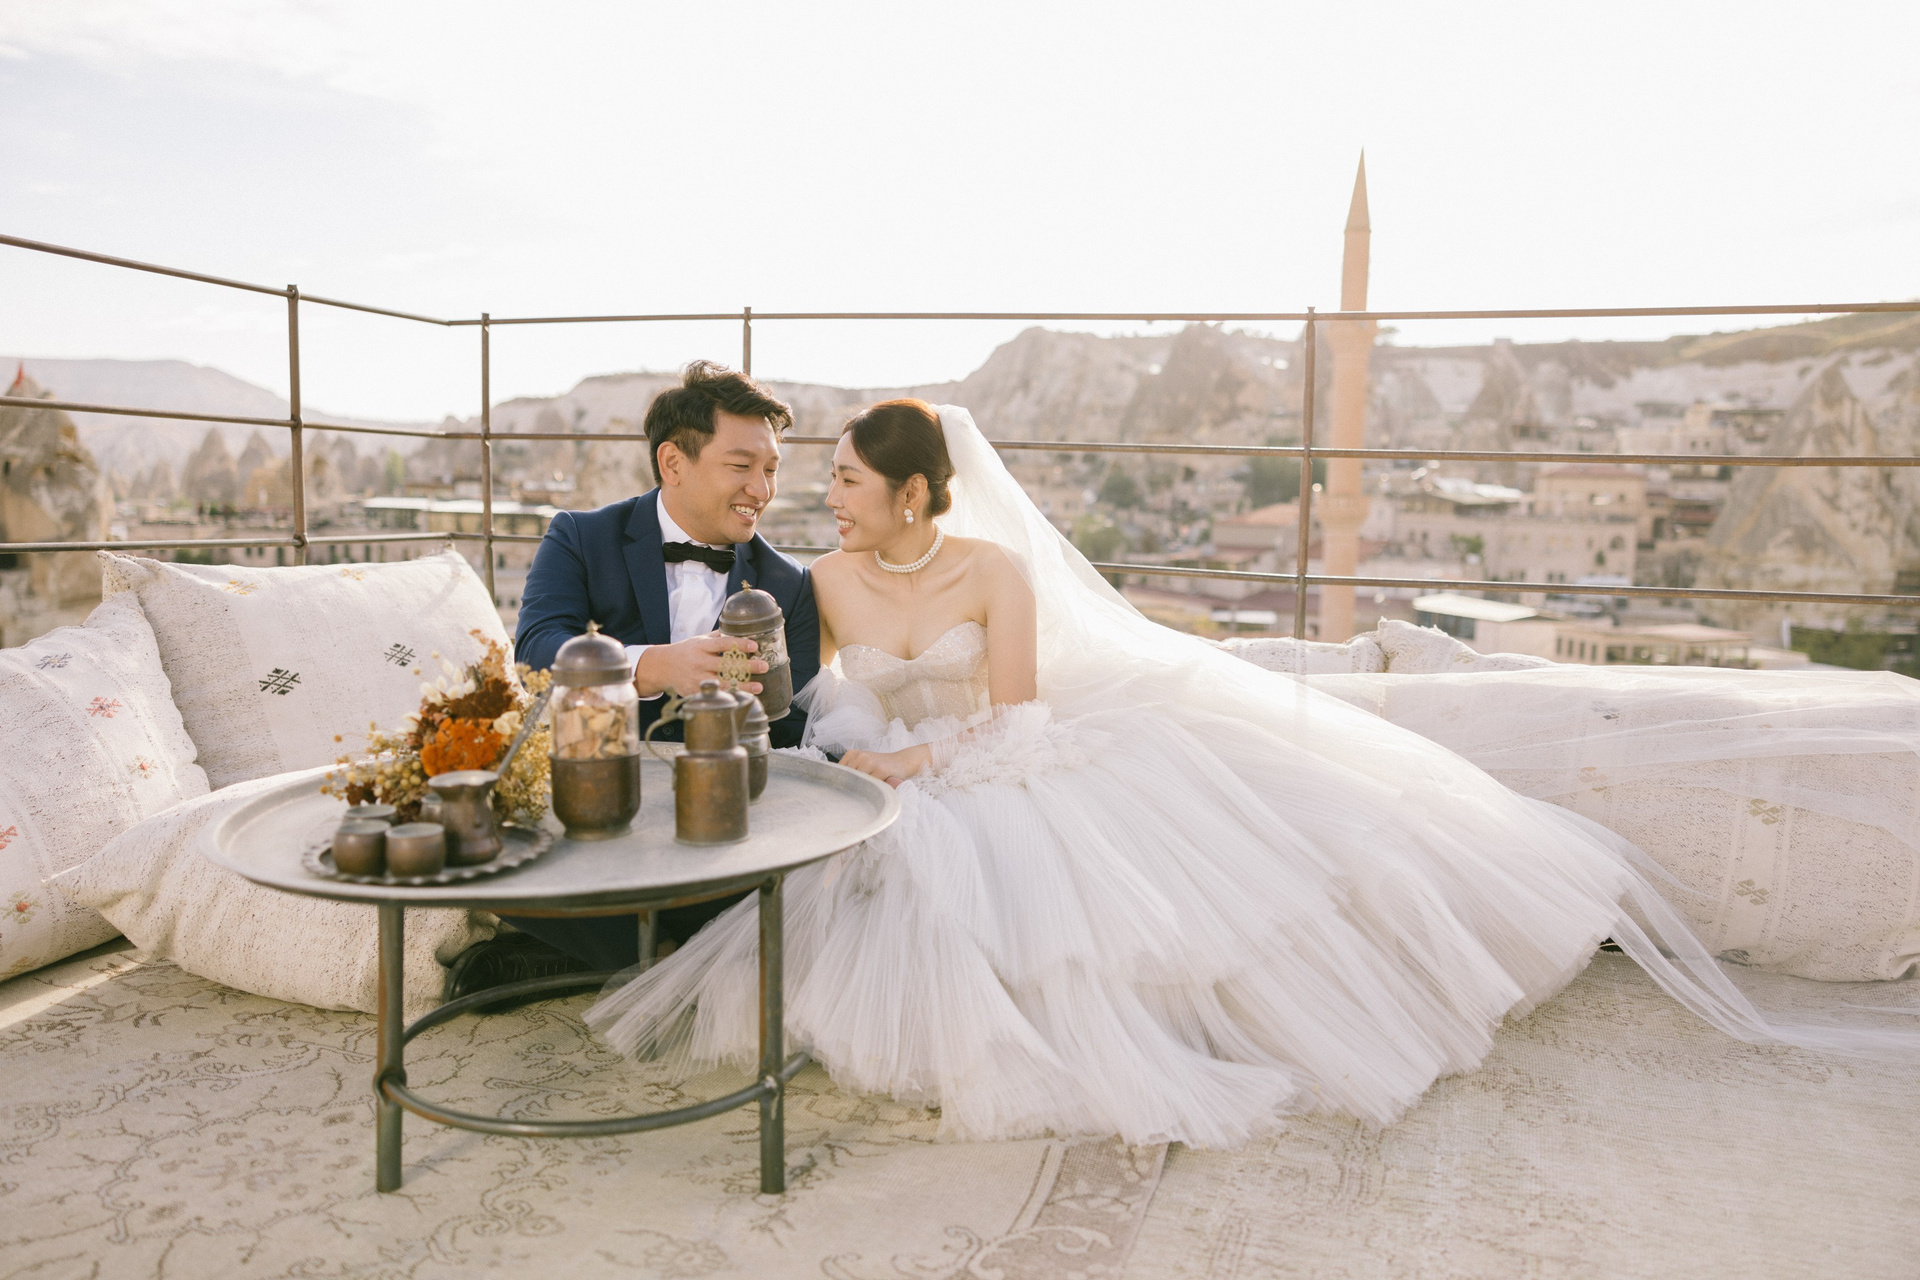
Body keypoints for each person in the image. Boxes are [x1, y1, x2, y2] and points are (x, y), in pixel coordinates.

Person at [585, 399, 1919, 1146]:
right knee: (896, 884)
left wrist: (920, 755)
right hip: (889, 771)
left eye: (845, 478)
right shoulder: (815, 579)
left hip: (995, 755)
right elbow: (804, 697)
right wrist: (855, 751)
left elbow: (1023, 715)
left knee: (1092, 904)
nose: (826, 496)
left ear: (918, 494)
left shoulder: (995, 574)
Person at [446, 362, 820, 999]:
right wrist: (652, 665)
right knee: (465, 836)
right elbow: (536, 653)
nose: (761, 489)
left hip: (716, 820)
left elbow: (791, 728)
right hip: (592, 798)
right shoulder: (579, 537)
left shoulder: (789, 585)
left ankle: (596, 955)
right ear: (673, 462)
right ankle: (660, 951)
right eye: (741, 466)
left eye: (771, 468)